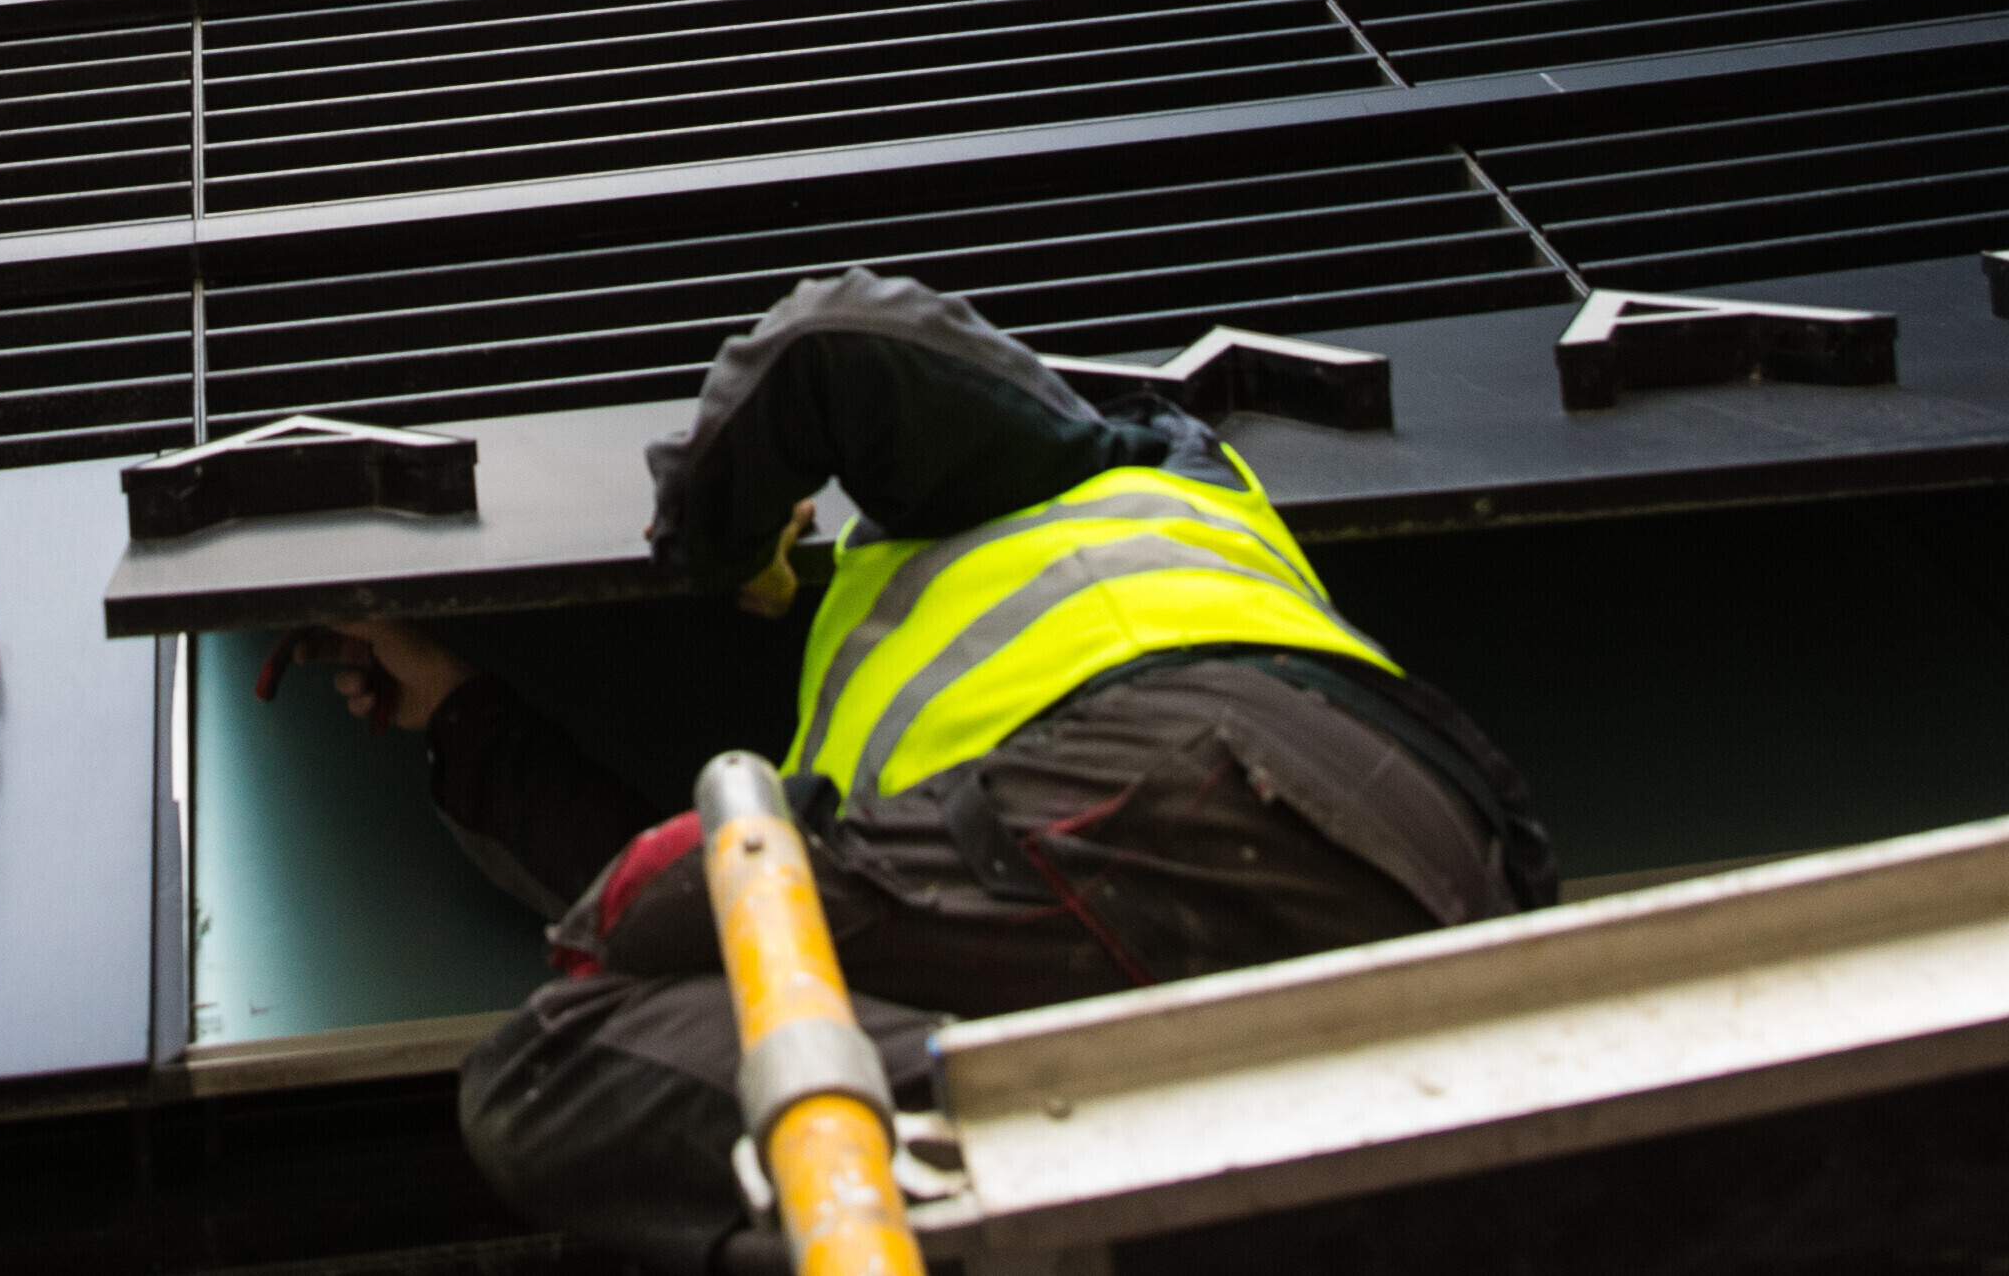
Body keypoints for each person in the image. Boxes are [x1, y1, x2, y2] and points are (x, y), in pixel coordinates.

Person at [287, 270, 1549, 1273]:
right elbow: (745, 971)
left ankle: (1093, 1177)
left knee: (553, 1065)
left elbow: (830, 339)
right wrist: (463, 716)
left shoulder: (1102, 463)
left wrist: (719, 539)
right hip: (1406, 892)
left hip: (1209, 794)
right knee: (638, 1018)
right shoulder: (870, 761)